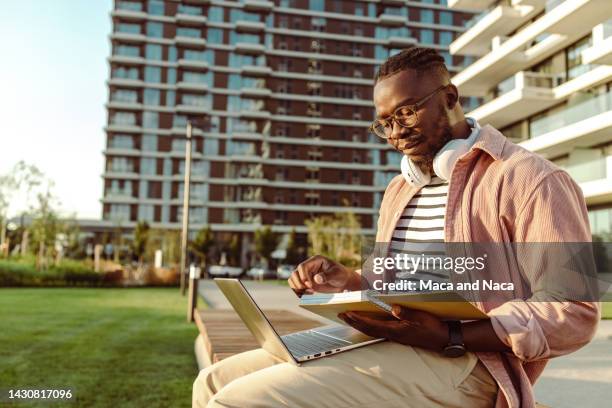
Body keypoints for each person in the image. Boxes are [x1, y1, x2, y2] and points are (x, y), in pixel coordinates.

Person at [193, 46, 601, 408]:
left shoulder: (531, 179)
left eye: (406, 112)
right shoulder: (400, 190)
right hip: (394, 343)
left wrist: (450, 334)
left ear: (451, 98)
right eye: (384, 122)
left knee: (238, 401)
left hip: (469, 363)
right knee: (214, 379)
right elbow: (386, 286)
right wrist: (349, 282)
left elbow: (573, 312)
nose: (395, 133)